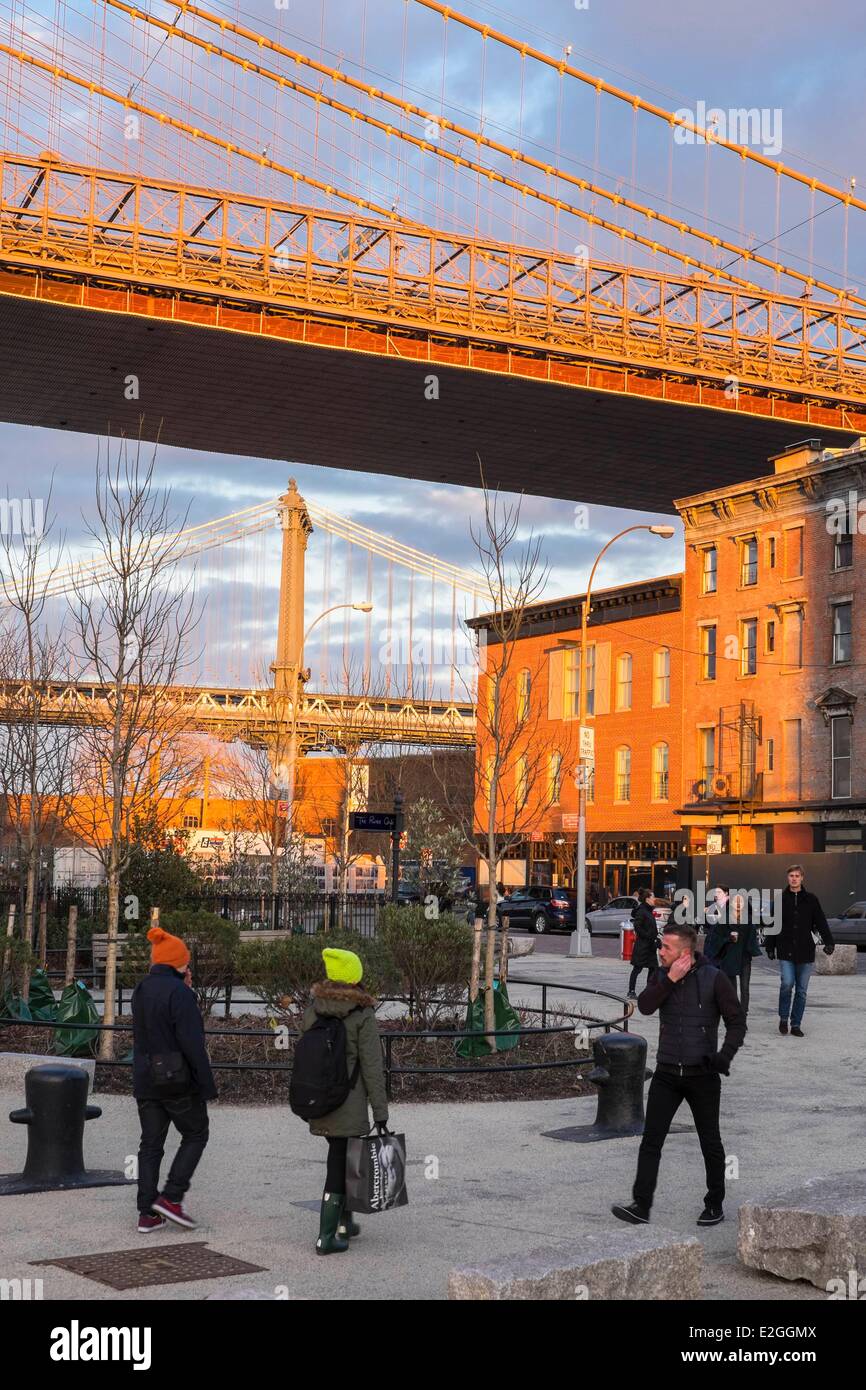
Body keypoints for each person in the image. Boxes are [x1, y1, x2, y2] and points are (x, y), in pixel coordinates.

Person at [611, 922, 746, 1228]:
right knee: (651, 1140)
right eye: (660, 946)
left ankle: (714, 1204)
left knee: (710, 1141)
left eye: (666, 948)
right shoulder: (662, 975)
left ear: (685, 952)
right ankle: (641, 1205)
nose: (660, 952)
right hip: (667, 1073)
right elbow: (644, 1007)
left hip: (703, 1075)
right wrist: (670, 980)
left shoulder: (714, 978)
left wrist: (723, 1057)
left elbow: (737, 1021)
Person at [299, 947, 389, 1255]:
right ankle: (327, 1236)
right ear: (355, 977)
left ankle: (343, 1224)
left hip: (321, 1099)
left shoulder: (314, 1009)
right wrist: (381, 1112)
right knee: (340, 1164)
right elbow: (373, 1067)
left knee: (343, 1157)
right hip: (348, 1103)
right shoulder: (361, 1014)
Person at [132, 925, 217, 1233]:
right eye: (186, 961)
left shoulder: (142, 989)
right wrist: (206, 1085)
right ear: (177, 963)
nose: (189, 965)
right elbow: (192, 1044)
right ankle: (172, 1196)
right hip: (176, 1078)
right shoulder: (180, 994)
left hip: (145, 1077)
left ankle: (147, 1212)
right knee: (196, 1134)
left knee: (150, 1144)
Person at [766, 865, 835, 1036]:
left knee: (802, 991)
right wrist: (770, 946)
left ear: (802, 878)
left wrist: (829, 942)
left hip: (805, 951)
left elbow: (821, 921)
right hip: (785, 949)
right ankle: (783, 1018)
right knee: (787, 983)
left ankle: (796, 1024)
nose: (794, 878)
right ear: (787, 878)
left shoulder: (811, 899)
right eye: (791, 875)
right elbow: (773, 924)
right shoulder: (780, 899)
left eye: (797, 875)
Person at [704, 889, 763, 1017]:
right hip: (729, 957)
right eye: (735, 901)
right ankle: (735, 1013)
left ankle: (743, 1014)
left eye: (740, 901)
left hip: (744, 958)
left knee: (745, 988)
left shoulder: (748, 921)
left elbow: (752, 939)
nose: (737, 903)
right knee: (732, 989)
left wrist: (753, 950)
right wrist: (728, 939)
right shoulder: (724, 920)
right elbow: (716, 938)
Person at [627, 888, 659, 999]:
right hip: (642, 945)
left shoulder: (649, 910)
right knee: (637, 968)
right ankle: (631, 991)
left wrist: (656, 938)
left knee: (653, 968)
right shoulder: (642, 911)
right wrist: (648, 936)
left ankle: (648, 990)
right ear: (647, 899)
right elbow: (638, 927)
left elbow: (651, 927)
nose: (654, 899)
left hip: (650, 946)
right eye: (653, 897)